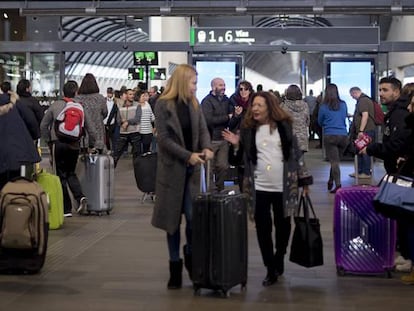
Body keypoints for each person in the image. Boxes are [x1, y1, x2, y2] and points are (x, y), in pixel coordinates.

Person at [222, 91, 313, 287]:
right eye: (253, 105)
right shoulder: (247, 129)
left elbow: (296, 154)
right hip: (258, 187)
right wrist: (236, 145)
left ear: (270, 107)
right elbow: (236, 161)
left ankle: (280, 255)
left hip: (284, 187)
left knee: (283, 227)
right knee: (262, 229)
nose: (254, 108)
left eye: (259, 105)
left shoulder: (284, 127)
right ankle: (270, 268)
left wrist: (304, 181)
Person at [151, 64, 213, 290]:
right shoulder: (163, 105)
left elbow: (204, 130)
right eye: (193, 82)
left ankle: (190, 254)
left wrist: (206, 148)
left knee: (194, 219)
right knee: (172, 224)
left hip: (193, 172)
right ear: (182, 81)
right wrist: (188, 156)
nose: (196, 87)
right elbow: (164, 140)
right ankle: (174, 265)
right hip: (172, 172)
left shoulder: (195, 104)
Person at [361, 77, 412, 273]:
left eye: (385, 90)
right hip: (397, 172)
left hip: (404, 175)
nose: (381, 93)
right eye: (380, 90)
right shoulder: (394, 113)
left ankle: (408, 256)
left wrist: (373, 148)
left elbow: (398, 144)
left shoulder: (399, 114)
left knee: (404, 215)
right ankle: (405, 254)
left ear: (397, 91)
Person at [40, 80, 96, 217]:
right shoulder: (80, 107)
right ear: (76, 92)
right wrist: (91, 145)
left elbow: (43, 125)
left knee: (60, 175)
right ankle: (80, 197)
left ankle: (66, 209)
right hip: (74, 145)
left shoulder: (55, 105)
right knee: (71, 172)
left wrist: (48, 141)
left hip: (57, 144)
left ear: (62, 92)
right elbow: (92, 130)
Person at [0, 87, 41, 189]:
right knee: (15, 184)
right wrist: (34, 138)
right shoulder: (15, 102)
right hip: (17, 151)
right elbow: (31, 120)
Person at [201, 77, 232, 192]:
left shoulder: (227, 100)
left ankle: (220, 189)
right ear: (213, 87)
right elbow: (209, 120)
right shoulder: (206, 101)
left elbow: (232, 117)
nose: (223, 87)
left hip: (223, 138)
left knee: (223, 166)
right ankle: (210, 191)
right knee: (209, 168)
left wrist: (235, 116)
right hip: (211, 139)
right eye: (220, 85)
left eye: (224, 85)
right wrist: (226, 117)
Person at [318, 83, 349, 193]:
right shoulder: (344, 104)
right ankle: (331, 180)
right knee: (336, 161)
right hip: (343, 136)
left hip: (330, 135)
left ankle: (338, 185)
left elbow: (320, 122)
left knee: (334, 162)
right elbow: (345, 116)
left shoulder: (323, 107)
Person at [228, 80, 254, 191]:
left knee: (251, 163)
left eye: (246, 89)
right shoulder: (233, 102)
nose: (243, 92)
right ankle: (243, 191)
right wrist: (236, 116)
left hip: (251, 136)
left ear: (250, 90)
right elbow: (230, 124)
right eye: (241, 89)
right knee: (240, 164)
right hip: (238, 138)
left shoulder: (254, 102)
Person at [75, 73, 108, 153]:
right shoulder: (100, 98)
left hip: (82, 133)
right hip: (98, 132)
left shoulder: (77, 99)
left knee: (82, 158)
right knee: (98, 158)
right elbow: (105, 113)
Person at [348, 86, 376, 178]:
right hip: (365, 130)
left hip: (366, 131)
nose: (352, 97)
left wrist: (361, 130)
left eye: (352, 95)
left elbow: (365, 115)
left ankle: (366, 172)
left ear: (355, 92)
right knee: (359, 150)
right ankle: (359, 171)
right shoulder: (364, 100)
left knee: (364, 151)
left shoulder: (363, 101)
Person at [281, 84, 309, 155]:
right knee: (299, 161)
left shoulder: (283, 106)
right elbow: (307, 122)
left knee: (289, 161)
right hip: (302, 138)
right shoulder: (305, 106)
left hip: (288, 137)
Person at [103, 87, 121, 153]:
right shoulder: (104, 100)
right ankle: (108, 149)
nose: (109, 94)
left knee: (114, 137)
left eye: (110, 93)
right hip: (104, 121)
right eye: (108, 93)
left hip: (113, 122)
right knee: (106, 137)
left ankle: (114, 149)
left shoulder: (116, 101)